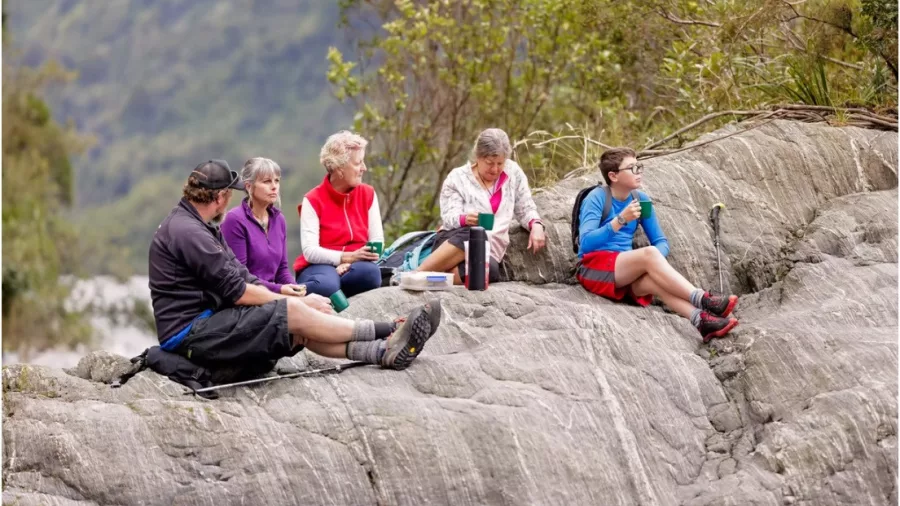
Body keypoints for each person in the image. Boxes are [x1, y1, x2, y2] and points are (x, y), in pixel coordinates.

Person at [148, 159, 442, 375]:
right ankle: (389, 330)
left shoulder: (199, 226)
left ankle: (381, 352)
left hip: (207, 319)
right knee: (292, 313)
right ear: (220, 196)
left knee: (297, 324)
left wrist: (295, 297)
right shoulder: (189, 232)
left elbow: (241, 274)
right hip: (189, 332)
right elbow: (237, 291)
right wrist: (293, 300)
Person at [576, 147, 738, 343]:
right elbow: (585, 244)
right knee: (650, 254)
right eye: (632, 168)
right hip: (595, 269)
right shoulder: (597, 197)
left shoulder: (640, 200)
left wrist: (652, 262)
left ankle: (701, 321)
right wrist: (620, 220)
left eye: (639, 166)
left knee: (653, 281)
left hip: (623, 273)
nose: (639, 171)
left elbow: (660, 242)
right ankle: (703, 299)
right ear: (614, 176)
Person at [413, 128, 547, 285]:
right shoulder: (457, 178)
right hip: (454, 241)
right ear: (478, 157)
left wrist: (536, 225)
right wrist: (464, 219)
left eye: (500, 163)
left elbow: (525, 207)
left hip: (486, 251)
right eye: (490, 163)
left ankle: (435, 278)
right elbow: (449, 218)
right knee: (475, 233)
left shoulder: (513, 173)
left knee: (490, 270)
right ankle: (417, 274)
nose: (495, 169)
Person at [294, 131, 384, 297]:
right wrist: (344, 257)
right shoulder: (312, 200)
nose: (364, 168)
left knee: (370, 274)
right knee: (326, 285)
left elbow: (377, 242)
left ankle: (338, 294)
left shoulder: (368, 194)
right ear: (340, 168)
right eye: (358, 163)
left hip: (357, 265)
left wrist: (352, 261)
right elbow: (310, 251)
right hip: (318, 266)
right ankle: (333, 292)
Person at [221, 157, 306, 297]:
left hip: (273, 295)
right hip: (249, 298)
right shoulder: (235, 220)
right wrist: (279, 290)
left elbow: (282, 270)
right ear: (249, 186)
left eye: (277, 180)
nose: (274, 186)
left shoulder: (279, 219)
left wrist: (295, 289)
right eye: (267, 181)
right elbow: (241, 277)